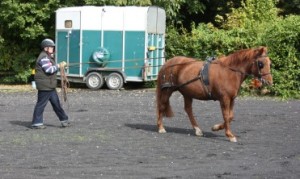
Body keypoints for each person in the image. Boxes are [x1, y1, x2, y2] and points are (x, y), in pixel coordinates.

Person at [31, 38, 70, 129]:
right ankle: (36, 123)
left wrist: (61, 65)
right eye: (51, 47)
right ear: (46, 48)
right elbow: (49, 70)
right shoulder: (43, 57)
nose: (53, 49)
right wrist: (59, 65)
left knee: (56, 104)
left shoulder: (47, 56)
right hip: (45, 86)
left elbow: (52, 67)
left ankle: (64, 120)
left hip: (49, 85)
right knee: (41, 104)